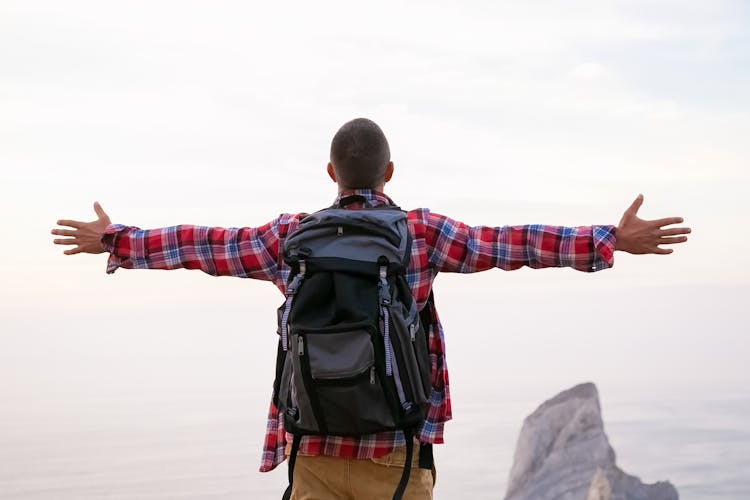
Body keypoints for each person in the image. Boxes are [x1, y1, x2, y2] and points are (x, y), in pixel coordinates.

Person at [51, 118, 690, 500]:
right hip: (397, 457)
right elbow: (513, 243)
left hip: (313, 452)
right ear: (390, 171)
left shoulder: (287, 238)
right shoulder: (421, 233)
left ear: (331, 171)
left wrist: (115, 241)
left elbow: (200, 244)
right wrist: (610, 239)